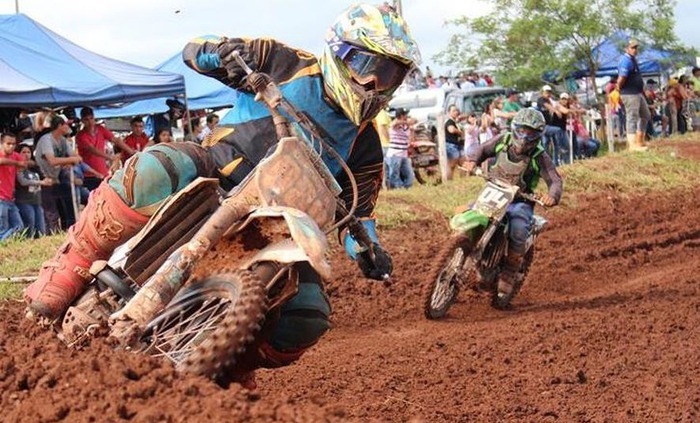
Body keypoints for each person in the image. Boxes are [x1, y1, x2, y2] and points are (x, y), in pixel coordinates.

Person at [25, 2, 419, 387]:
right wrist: (221, 53)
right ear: (341, 54)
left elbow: (358, 214)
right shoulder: (284, 62)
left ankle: (231, 361)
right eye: (370, 68)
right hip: (218, 171)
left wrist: (369, 250)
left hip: (282, 226)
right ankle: (72, 263)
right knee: (156, 167)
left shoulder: (367, 147)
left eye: (390, 77)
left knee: (308, 316)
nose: (375, 85)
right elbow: (195, 50)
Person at [462, 108, 562, 302]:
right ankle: (459, 248)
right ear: (514, 128)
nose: (525, 136)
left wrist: (552, 196)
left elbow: (555, 180)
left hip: (520, 201)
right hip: (493, 192)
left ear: (538, 135)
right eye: (522, 130)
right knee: (470, 212)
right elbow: (482, 149)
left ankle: (509, 270)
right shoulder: (503, 140)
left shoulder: (539, 156)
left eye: (531, 133)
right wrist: (472, 161)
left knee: (518, 228)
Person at [33, 115, 82, 232]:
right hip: (43, 177)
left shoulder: (63, 141)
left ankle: (65, 230)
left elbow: (77, 158)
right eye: (66, 125)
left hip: (56, 178)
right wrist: (69, 160)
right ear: (60, 125)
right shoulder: (46, 140)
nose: (68, 127)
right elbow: (52, 160)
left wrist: (70, 161)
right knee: (50, 211)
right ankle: (50, 234)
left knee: (63, 206)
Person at [76, 106, 135, 191]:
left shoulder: (100, 128)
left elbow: (115, 140)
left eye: (91, 118)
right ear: (82, 121)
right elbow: (92, 150)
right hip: (89, 175)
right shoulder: (81, 136)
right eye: (86, 119)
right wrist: (110, 157)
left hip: (103, 173)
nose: (90, 122)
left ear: (94, 118)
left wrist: (131, 151)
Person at [615, 39, 650, 151]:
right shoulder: (626, 60)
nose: (635, 50)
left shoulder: (633, 60)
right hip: (629, 93)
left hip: (637, 92)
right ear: (627, 49)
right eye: (632, 48)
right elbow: (622, 77)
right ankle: (632, 145)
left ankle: (640, 140)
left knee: (645, 115)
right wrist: (618, 88)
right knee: (632, 117)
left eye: (636, 48)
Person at [15, 143, 52, 238]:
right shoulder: (18, 167)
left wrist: (47, 180)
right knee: (29, 229)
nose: (26, 154)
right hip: (24, 202)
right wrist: (41, 183)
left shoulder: (34, 168)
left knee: (41, 230)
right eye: (23, 152)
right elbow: (23, 181)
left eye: (28, 152)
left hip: (37, 202)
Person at [0, 133, 27, 241]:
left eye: (13, 144)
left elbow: (24, 163)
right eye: (8, 143)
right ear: (1, 143)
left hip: (10, 199)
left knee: (19, 226)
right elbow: (1, 161)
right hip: (1, 199)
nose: (11, 146)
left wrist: (22, 162)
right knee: (2, 229)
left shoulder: (15, 155)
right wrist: (17, 163)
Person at [385, 108, 414, 189]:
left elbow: (414, 121)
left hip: (404, 153)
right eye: (405, 115)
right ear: (401, 115)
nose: (407, 116)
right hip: (395, 153)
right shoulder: (395, 124)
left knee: (409, 173)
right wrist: (407, 122)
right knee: (394, 173)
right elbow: (394, 124)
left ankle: (407, 187)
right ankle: (397, 188)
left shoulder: (406, 126)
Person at [445, 105, 465, 180]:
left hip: (458, 144)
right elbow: (451, 130)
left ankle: (463, 179)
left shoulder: (456, 122)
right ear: (449, 112)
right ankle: (449, 179)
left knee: (463, 162)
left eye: (456, 110)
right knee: (452, 164)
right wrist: (460, 132)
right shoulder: (449, 122)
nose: (455, 112)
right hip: (451, 145)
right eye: (453, 111)